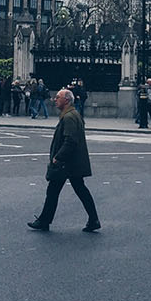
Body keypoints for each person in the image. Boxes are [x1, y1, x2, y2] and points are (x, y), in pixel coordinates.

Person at [27, 88, 100, 233]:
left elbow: (70, 141)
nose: (55, 99)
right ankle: (93, 219)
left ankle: (44, 221)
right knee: (78, 190)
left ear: (66, 100)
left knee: (55, 191)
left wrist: (58, 157)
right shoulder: (72, 114)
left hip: (66, 163)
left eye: (58, 97)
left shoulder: (69, 117)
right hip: (73, 162)